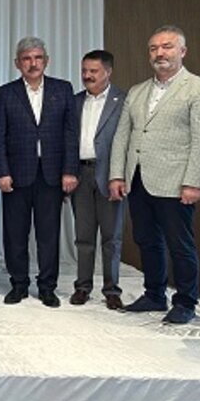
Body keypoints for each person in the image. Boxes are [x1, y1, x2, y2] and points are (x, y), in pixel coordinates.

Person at [109, 25, 200, 325]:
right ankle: (154, 294)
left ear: (183, 51)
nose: (159, 53)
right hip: (138, 180)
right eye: (154, 48)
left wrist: (194, 183)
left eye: (167, 47)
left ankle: (185, 302)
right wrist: (117, 175)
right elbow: (122, 136)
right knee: (146, 240)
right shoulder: (137, 91)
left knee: (180, 245)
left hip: (176, 183)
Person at [0, 37, 78, 308]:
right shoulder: (5, 93)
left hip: (51, 175)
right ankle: (18, 285)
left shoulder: (63, 89)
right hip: (15, 176)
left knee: (48, 235)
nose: (33, 63)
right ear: (17, 63)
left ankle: (47, 287)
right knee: (15, 234)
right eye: (26, 58)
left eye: (38, 57)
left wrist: (70, 171)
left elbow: (71, 133)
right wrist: (1, 172)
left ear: (46, 61)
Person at [70, 50, 126, 310]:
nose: (87, 76)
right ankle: (82, 287)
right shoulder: (74, 101)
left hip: (110, 176)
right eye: (84, 70)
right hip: (80, 176)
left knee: (111, 238)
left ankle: (112, 290)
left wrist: (120, 176)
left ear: (108, 72)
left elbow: (127, 142)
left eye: (93, 71)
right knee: (83, 237)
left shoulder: (123, 101)